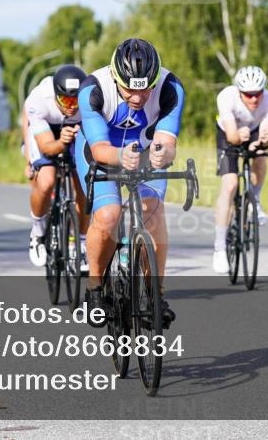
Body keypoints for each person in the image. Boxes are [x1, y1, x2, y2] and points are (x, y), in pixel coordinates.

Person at [75, 39, 184, 327]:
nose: (137, 97)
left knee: (152, 210)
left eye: (145, 88)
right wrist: (120, 156)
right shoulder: (92, 89)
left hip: (143, 151)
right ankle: (95, 289)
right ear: (115, 77)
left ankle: (156, 296)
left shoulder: (171, 88)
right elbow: (99, 149)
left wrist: (162, 153)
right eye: (129, 89)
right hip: (101, 151)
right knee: (109, 214)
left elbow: (167, 140)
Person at [212, 65, 268, 274]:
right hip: (228, 133)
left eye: (257, 94)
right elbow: (231, 135)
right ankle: (220, 247)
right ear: (239, 91)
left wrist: (262, 141)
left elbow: (266, 133)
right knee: (231, 184)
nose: (253, 99)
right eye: (248, 95)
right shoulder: (226, 97)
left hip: (253, 131)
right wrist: (238, 136)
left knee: (260, 155)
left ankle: (255, 200)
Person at [20, 64, 87, 268]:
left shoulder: (90, 100)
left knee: (85, 184)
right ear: (56, 95)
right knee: (47, 180)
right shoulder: (39, 99)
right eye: (66, 100)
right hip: (46, 130)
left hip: (74, 130)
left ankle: (81, 244)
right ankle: (38, 233)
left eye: (76, 101)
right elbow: (47, 147)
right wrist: (61, 142)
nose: (72, 106)